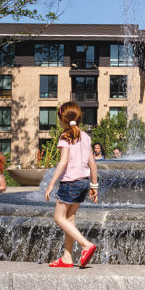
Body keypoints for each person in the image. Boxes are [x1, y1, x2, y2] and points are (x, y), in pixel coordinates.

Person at [43, 102, 99, 268]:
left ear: (62, 119)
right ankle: (67, 257)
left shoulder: (65, 136)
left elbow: (63, 162)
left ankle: (85, 244)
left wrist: (51, 184)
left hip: (70, 183)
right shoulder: (86, 137)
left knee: (58, 217)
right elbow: (93, 164)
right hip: (83, 183)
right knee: (69, 219)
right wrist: (94, 187)